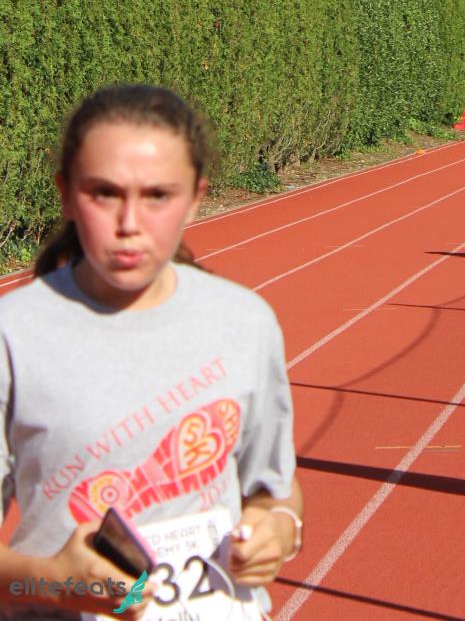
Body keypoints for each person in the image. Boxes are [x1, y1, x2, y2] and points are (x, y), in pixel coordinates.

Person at [0, 85, 304, 620]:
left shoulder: (245, 322)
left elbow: (274, 489)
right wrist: (53, 583)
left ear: (196, 197)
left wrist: (278, 530)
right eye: (104, 193)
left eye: (158, 195)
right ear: (66, 194)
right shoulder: (13, 334)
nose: (130, 224)